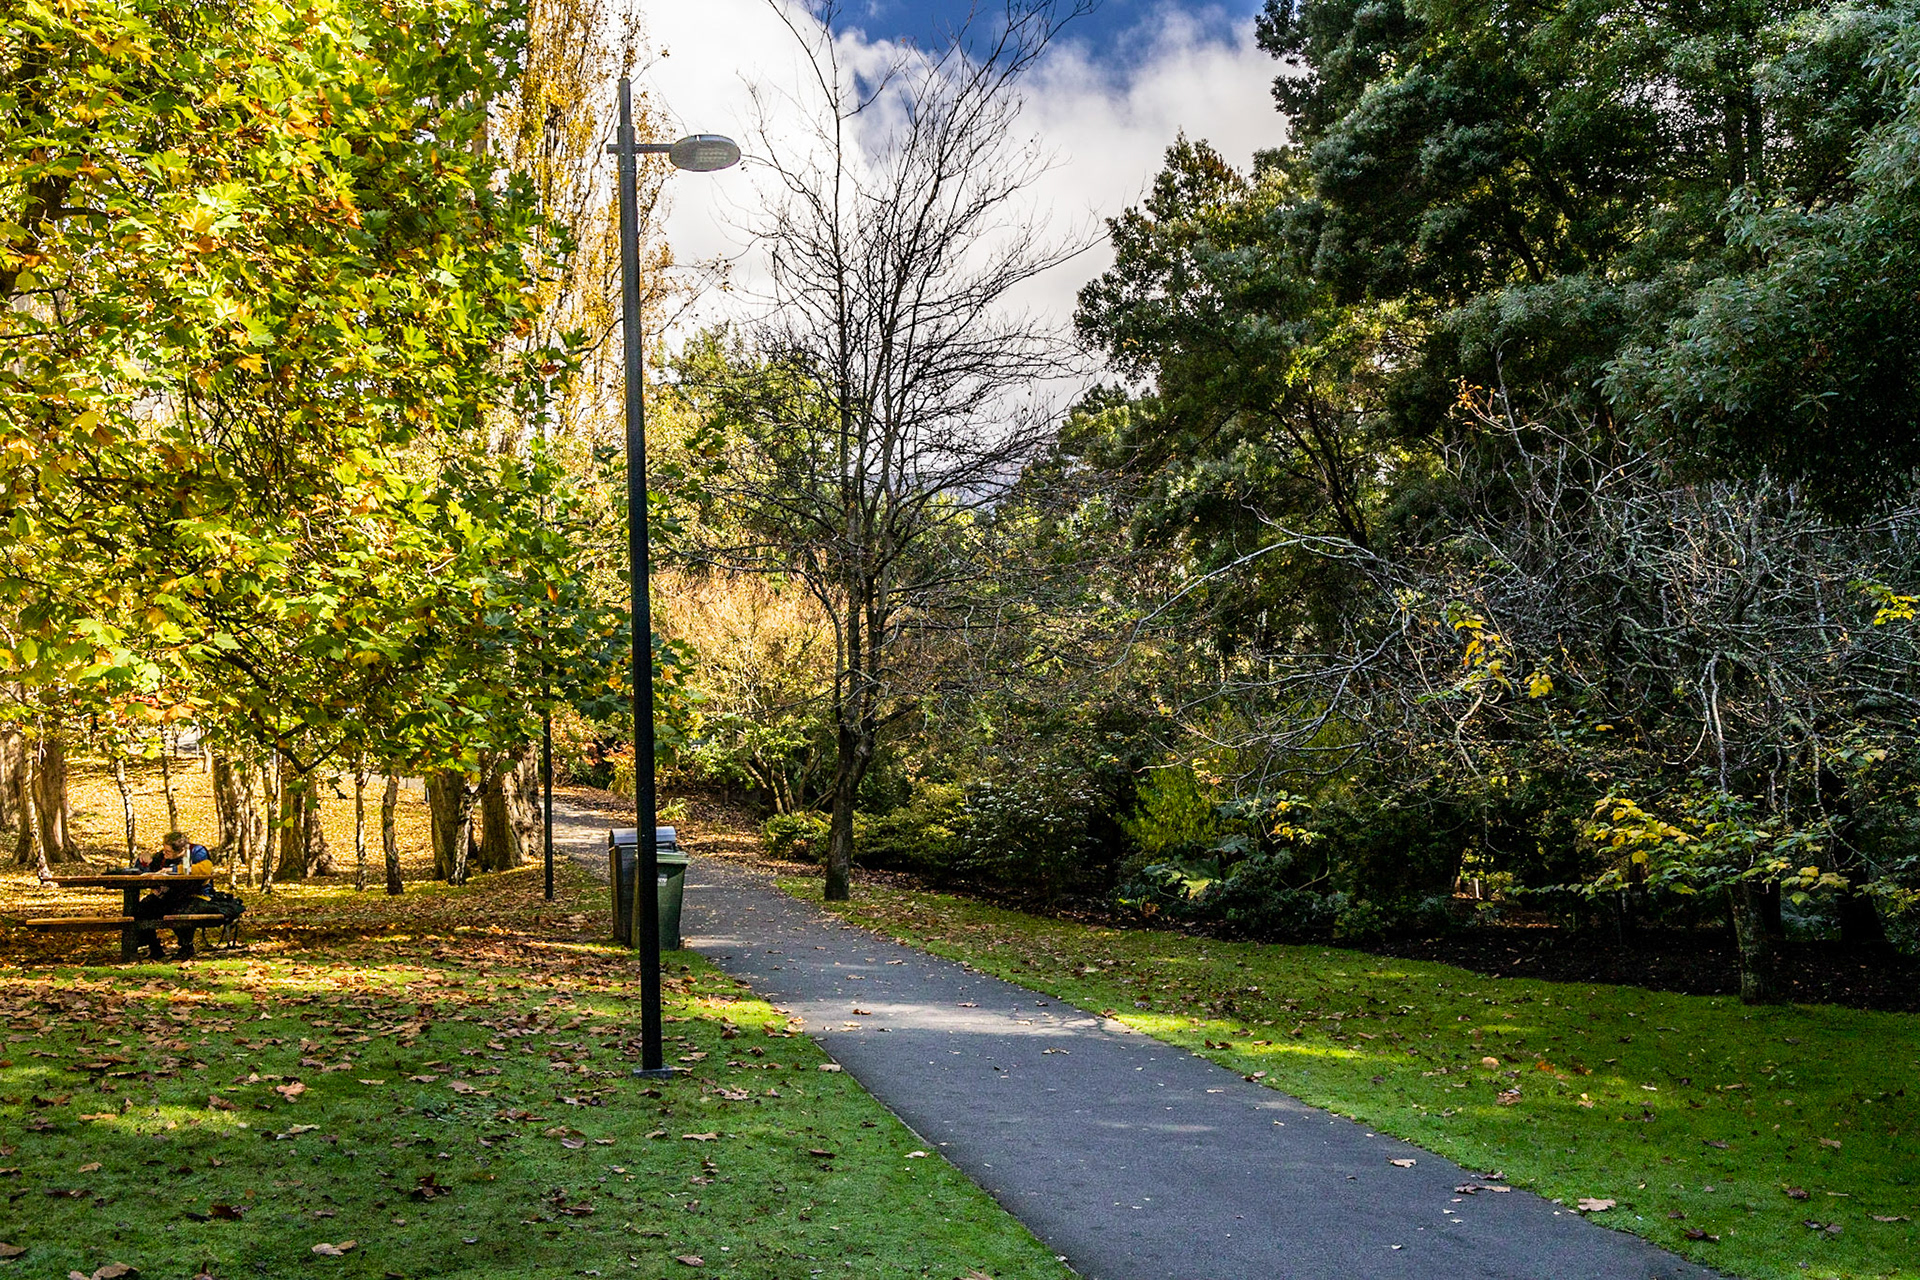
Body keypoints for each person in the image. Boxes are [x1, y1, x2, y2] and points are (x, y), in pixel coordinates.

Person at [132, 832, 213, 960]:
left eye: (168, 851)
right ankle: (155, 949)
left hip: (197, 896)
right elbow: (144, 872)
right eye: (164, 850)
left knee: (180, 911)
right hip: (170, 896)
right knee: (142, 908)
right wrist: (142, 862)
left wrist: (173, 870)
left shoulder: (197, 852)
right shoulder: (163, 856)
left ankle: (186, 947)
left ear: (181, 850)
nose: (164, 853)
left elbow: (205, 870)